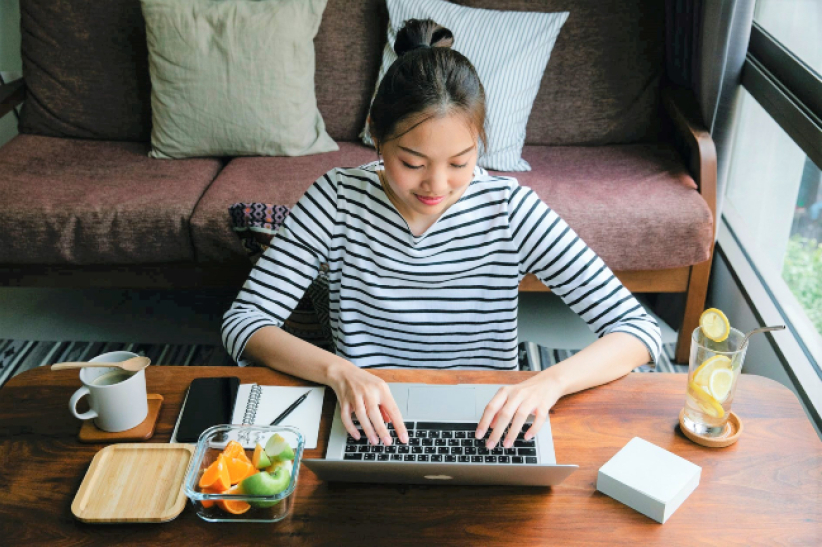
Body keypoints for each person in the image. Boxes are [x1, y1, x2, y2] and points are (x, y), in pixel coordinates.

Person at [222, 19, 661, 454]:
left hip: (490, 421)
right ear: (377, 134)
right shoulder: (335, 199)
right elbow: (244, 322)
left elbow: (639, 330)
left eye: (460, 163)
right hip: (368, 418)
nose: (437, 185)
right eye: (413, 163)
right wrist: (341, 374)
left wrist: (549, 382)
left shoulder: (510, 209)